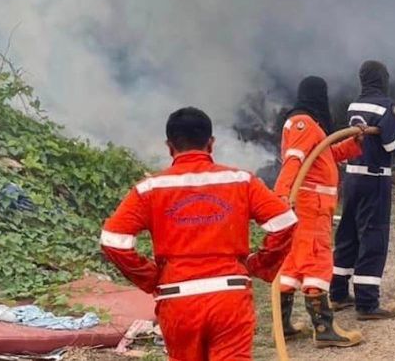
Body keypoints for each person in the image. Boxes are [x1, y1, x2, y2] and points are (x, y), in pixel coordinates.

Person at [101, 107, 297, 361]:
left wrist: (151, 278)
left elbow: (112, 240)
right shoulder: (240, 180)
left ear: (170, 146)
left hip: (178, 300)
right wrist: (260, 265)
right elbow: (285, 221)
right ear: (211, 143)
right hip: (230, 298)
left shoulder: (150, 188)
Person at [273, 76, 364, 347]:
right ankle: (324, 328)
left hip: (307, 203)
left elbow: (325, 155)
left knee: (293, 261)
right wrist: (282, 196)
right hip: (310, 206)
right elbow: (294, 160)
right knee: (316, 260)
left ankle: (284, 325)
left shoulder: (308, 125)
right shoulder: (305, 123)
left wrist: (353, 143)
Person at [331, 60, 395, 320]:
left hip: (352, 179)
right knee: (374, 236)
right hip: (374, 180)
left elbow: (373, 135)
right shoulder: (386, 105)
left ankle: (337, 294)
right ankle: (367, 303)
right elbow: (393, 145)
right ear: (382, 78)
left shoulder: (355, 105)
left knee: (348, 234)